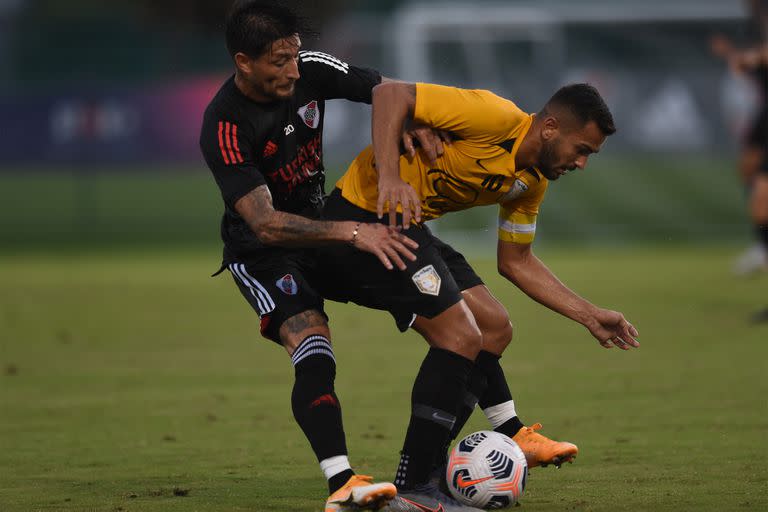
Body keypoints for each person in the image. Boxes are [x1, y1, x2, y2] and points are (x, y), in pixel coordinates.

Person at [318, 81, 640, 511]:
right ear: (549, 128)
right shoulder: (493, 115)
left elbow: (516, 261)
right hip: (360, 222)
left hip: (407, 229)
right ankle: (415, 487)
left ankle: (433, 467)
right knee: (459, 336)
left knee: (494, 328)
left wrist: (589, 314)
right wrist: (392, 178)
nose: (581, 163)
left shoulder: (531, 181)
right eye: (581, 149)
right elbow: (389, 94)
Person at [198, 2, 448, 510]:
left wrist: (412, 121)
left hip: (328, 227)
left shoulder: (311, 67)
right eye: (279, 61)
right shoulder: (223, 124)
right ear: (243, 62)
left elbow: (388, 91)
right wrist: (356, 232)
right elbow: (265, 224)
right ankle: (342, 484)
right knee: (314, 347)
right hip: (265, 253)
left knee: (442, 304)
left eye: (293, 55)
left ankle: (508, 425)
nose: (293, 70)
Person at [711, 0, 768, 276]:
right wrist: (735, 56)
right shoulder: (754, 20)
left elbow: (759, 58)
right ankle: (762, 249)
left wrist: (750, 58)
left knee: (761, 199)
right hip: (765, 112)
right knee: (750, 174)